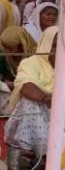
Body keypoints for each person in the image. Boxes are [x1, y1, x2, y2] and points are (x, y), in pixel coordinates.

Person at [5, 27, 58, 162]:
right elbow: (26, 87)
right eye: (55, 46)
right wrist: (48, 99)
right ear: (46, 44)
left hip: (57, 118)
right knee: (31, 101)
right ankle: (42, 153)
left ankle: (49, 155)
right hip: (29, 120)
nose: (59, 51)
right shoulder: (31, 62)